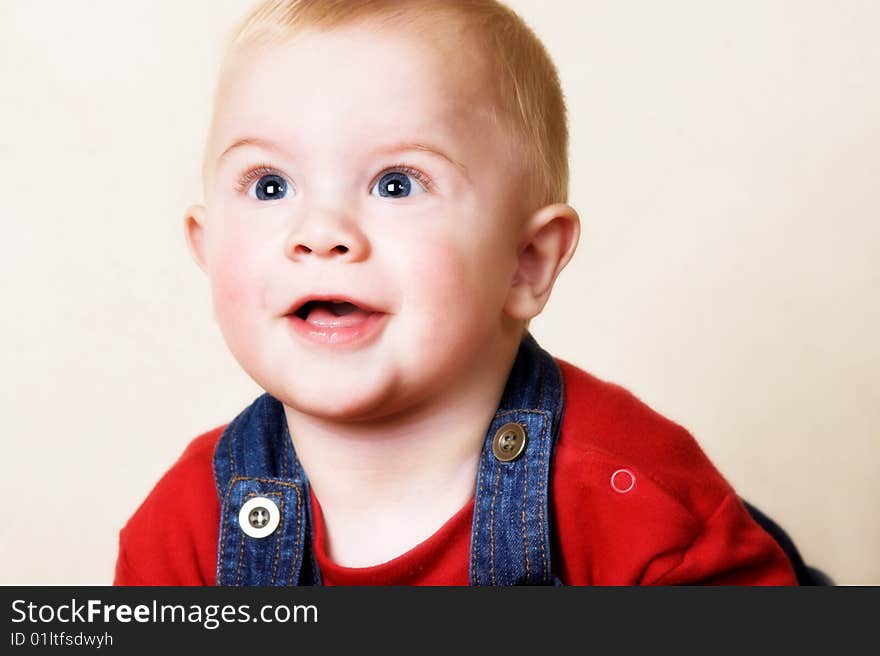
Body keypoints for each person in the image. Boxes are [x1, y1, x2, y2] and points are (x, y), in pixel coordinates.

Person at [114, 0, 797, 586]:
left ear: (526, 262)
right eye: (269, 185)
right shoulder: (187, 532)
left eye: (396, 183)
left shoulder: (637, 503)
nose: (321, 233)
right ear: (204, 248)